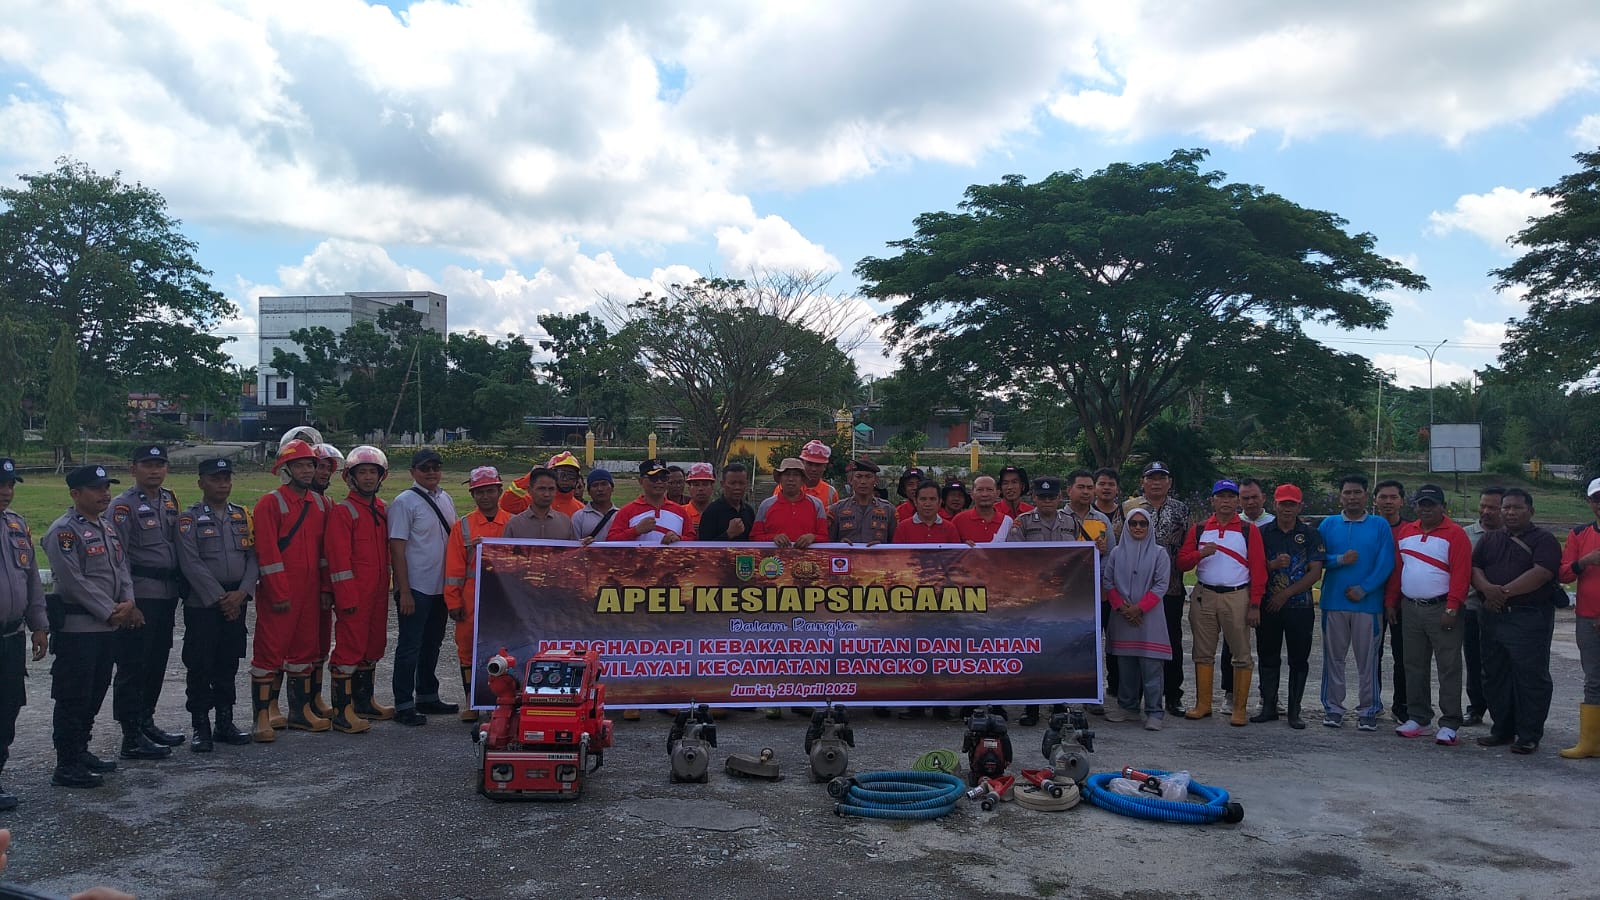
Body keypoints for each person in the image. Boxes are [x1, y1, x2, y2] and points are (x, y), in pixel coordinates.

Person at [44, 465, 140, 788]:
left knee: (95, 692)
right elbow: (73, 581)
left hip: (106, 628)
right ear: (75, 494)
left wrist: (128, 601)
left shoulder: (107, 527)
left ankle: (81, 750)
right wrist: (110, 610)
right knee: (73, 696)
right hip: (78, 629)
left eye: (106, 488)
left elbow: (121, 568)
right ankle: (66, 763)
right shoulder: (64, 531)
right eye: (96, 489)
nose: (105, 494)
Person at [250, 439, 334, 740]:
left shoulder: (321, 504)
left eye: (310, 464)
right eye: (300, 465)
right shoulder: (270, 504)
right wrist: (279, 592)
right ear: (285, 470)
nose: (307, 470)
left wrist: (325, 589)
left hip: (310, 593)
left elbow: (325, 553)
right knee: (269, 652)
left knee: (304, 651)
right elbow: (267, 552)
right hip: (281, 593)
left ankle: (299, 712)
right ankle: (262, 717)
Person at [173, 458, 257, 752]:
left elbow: (253, 557)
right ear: (201, 483)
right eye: (215, 479)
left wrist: (242, 593)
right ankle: (200, 725)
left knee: (228, 662)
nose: (222, 484)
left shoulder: (242, 516)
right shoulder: (189, 519)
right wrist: (222, 599)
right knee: (200, 664)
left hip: (237, 599)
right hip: (203, 603)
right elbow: (190, 562)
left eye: (226, 478)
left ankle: (225, 722)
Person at [1472, 488, 1561, 754]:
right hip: (1492, 616)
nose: (1510, 512)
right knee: (1494, 674)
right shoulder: (1490, 539)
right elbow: (1475, 567)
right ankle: (1502, 729)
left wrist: (1502, 593)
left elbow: (1542, 573)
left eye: (1517, 508)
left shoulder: (1544, 539)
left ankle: (1528, 734)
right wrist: (1487, 590)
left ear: (1530, 511)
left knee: (1530, 676)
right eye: (1506, 507)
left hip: (1528, 617)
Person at [108, 445, 184, 755]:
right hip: (139, 596)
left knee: (156, 662)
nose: (155, 470)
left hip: (165, 595)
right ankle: (130, 735)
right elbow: (118, 558)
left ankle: (146, 721)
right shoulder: (122, 506)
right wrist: (129, 601)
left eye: (160, 464)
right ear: (133, 469)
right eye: (148, 464)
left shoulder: (169, 500)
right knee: (133, 666)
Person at [1385, 485, 1472, 745]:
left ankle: (1450, 722)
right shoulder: (1406, 532)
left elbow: (1461, 574)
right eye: (1421, 504)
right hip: (1410, 607)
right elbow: (1399, 569)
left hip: (1442, 607)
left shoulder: (1455, 534)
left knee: (1448, 667)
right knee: (1413, 665)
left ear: (1442, 507)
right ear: (1415, 506)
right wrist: (1391, 601)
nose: (1426, 509)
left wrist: (1452, 607)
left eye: (1431, 504)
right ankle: (1419, 717)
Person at [1176, 480, 1267, 725]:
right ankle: (1203, 704)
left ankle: (1239, 708)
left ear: (1237, 501)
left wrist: (1255, 604)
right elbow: (1182, 562)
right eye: (1221, 496)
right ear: (1212, 500)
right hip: (1204, 595)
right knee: (1202, 653)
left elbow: (1259, 569)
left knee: (1241, 654)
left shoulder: (1248, 530)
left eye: (1230, 496)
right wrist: (1200, 554)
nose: (1225, 501)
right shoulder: (1199, 529)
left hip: (1237, 595)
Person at [323, 446, 397, 734]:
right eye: (362, 472)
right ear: (350, 477)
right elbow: (338, 559)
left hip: (378, 593)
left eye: (372, 472)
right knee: (349, 649)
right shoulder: (344, 512)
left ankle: (364, 703)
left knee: (373, 646)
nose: (368, 477)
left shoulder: (382, 509)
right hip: (354, 594)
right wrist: (346, 596)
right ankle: (342, 712)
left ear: (381, 476)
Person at [1318, 473, 1397, 731]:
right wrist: (1339, 560)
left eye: (1357, 492)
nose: (1352, 497)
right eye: (1347, 493)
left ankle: (1368, 709)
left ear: (1366, 496)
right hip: (1333, 602)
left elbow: (1386, 562)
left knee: (1368, 661)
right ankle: (1333, 708)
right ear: (1340, 497)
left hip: (1367, 605)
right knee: (1333, 659)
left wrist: (1364, 589)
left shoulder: (1379, 525)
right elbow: (1316, 558)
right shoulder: (1328, 524)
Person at [387, 448, 459, 727]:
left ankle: (427, 695)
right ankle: (403, 703)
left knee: (432, 644)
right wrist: (403, 590)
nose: (431, 473)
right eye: (424, 468)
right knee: (410, 646)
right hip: (416, 586)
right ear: (413, 472)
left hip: (440, 585)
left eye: (435, 468)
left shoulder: (446, 498)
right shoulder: (404, 502)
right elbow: (397, 548)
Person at [1252, 484, 1325, 729]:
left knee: (1299, 659)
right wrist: (1272, 565)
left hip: (1300, 606)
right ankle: (1269, 706)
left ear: (1299, 507)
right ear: (1274, 505)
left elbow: (1315, 572)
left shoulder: (1311, 534)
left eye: (1291, 504)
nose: (1287, 508)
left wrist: (1285, 594)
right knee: (1267, 656)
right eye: (1283, 503)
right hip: (1268, 606)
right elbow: (1253, 566)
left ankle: (1294, 710)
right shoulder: (1262, 533)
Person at [1124, 461, 1190, 717]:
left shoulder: (1181, 509)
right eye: (1151, 478)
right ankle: (1135, 696)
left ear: (1169, 482)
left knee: (1171, 641)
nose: (1156, 482)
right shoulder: (1130, 507)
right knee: (1137, 642)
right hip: (1136, 589)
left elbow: (1187, 545)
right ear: (1143, 481)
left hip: (1170, 587)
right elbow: (1120, 540)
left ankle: (1173, 695)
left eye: (1162, 478)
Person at [0, 459, 48, 806]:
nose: (6, 491)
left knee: (8, 708)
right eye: (0, 485)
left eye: (10, 485)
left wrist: (39, 625)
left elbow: (31, 580)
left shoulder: (16, 525)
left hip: (11, 636)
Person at [444, 467, 508, 725]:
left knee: (501, 649)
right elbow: (453, 569)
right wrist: (453, 601)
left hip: (503, 598)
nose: (485, 496)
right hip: (471, 598)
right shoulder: (463, 527)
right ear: (472, 495)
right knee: (467, 649)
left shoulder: (512, 523)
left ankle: (497, 702)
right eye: (479, 492)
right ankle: (472, 702)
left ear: (499, 491)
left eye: (490, 491)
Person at [1008, 476, 1072, 726]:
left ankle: (1059, 705)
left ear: (1059, 498)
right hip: (1033, 600)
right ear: (1034, 497)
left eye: (1052, 497)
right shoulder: (1022, 523)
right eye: (1042, 497)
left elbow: (1079, 556)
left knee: (1060, 651)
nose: (1047, 501)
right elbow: (1014, 558)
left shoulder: (1071, 522)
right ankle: (1031, 707)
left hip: (1062, 600)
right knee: (1033, 652)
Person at [1104, 508, 1171, 729]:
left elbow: (1161, 584)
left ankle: (1154, 712)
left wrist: (1139, 609)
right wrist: (1123, 608)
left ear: (1150, 526)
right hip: (1122, 618)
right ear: (1127, 526)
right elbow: (1108, 581)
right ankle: (1128, 707)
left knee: (1152, 667)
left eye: (1143, 523)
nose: (1138, 527)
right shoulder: (1116, 553)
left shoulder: (1159, 553)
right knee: (1126, 668)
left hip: (1149, 619)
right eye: (1133, 523)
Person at [1558, 477, 1600, 758]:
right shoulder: (1579, 534)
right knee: (1593, 679)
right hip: (1587, 618)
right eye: (1597, 498)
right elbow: (1563, 574)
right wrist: (1585, 562)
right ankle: (1590, 742)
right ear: (1589, 502)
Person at [307, 443, 345, 723]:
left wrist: (327, 587)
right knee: (291, 645)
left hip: (321, 583)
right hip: (297, 582)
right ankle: (275, 706)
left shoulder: (329, 504)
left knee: (320, 642)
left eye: (327, 468)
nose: (322, 473)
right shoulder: (288, 501)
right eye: (318, 466)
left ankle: (314, 698)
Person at [1462, 486, 1505, 726]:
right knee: (1474, 660)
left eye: (1493, 507)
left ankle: (1505, 712)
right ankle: (1476, 707)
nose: (1486, 511)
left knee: (1503, 662)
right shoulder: (1465, 535)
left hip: (1505, 608)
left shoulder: (1513, 535)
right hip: (1471, 607)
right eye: (1483, 506)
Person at [1373, 479, 1410, 724]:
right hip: (1371, 598)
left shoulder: (1410, 530)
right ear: (1375, 500)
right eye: (1383, 497)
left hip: (1402, 603)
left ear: (1402, 501)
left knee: (1403, 656)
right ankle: (1372, 702)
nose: (1388, 502)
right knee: (1371, 655)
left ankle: (1402, 705)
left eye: (1393, 497)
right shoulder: (1368, 528)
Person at [607, 459, 691, 544]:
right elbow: (611, 542)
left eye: (663, 478)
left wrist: (679, 539)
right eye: (653, 478)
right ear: (641, 481)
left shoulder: (680, 512)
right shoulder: (627, 512)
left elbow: (692, 539)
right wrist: (635, 531)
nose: (659, 482)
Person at [752, 459, 828, 548]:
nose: (791, 479)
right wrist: (773, 538)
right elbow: (754, 537)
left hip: (808, 557)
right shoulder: (766, 505)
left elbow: (825, 537)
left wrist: (812, 537)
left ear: (803, 480)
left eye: (796, 475)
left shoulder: (816, 505)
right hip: (773, 557)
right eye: (787, 474)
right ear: (780, 478)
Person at [830, 459, 897, 545]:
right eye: (858, 476)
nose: (863, 482)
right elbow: (828, 542)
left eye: (868, 477)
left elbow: (896, 544)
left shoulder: (888, 510)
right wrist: (840, 545)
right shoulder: (837, 509)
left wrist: (881, 547)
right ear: (850, 480)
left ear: (876, 480)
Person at [503, 468, 575, 540]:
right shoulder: (514, 524)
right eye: (541, 489)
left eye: (551, 489)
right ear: (529, 490)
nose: (547, 494)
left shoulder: (565, 523)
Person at [699, 463, 756, 542]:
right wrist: (728, 534)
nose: (737, 487)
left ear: (746, 484)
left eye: (741, 483)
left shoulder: (749, 511)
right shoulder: (711, 512)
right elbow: (703, 546)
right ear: (723, 484)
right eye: (732, 483)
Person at [893, 479, 961, 545]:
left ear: (940, 502)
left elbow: (956, 552)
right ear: (915, 501)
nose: (927, 504)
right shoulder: (903, 527)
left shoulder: (950, 528)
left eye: (932, 499)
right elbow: (897, 552)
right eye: (923, 499)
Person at [952, 475, 1011, 544]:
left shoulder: (1007, 522)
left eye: (989, 490)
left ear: (997, 493)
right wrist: (964, 548)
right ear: (972, 494)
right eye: (979, 490)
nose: (984, 494)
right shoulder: (958, 520)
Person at [572, 469, 618, 543]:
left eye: (604, 484)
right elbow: (573, 545)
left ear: (612, 488)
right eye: (595, 485)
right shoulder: (579, 517)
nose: (600, 489)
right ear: (589, 491)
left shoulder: (620, 515)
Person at [546, 452, 586, 518]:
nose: (565, 479)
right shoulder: (538, 502)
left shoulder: (581, 510)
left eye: (571, 475)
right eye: (561, 474)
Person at [682, 463, 716, 537]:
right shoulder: (680, 513)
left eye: (705, 484)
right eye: (696, 485)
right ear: (689, 488)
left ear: (712, 487)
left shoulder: (720, 512)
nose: (700, 489)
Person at [1092, 467, 1125, 540]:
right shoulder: (1087, 512)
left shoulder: (1124, 513)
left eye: (1111, 484)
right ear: (1094, 487)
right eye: (1102, 484)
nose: (1106, 487)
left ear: (1117, 489)